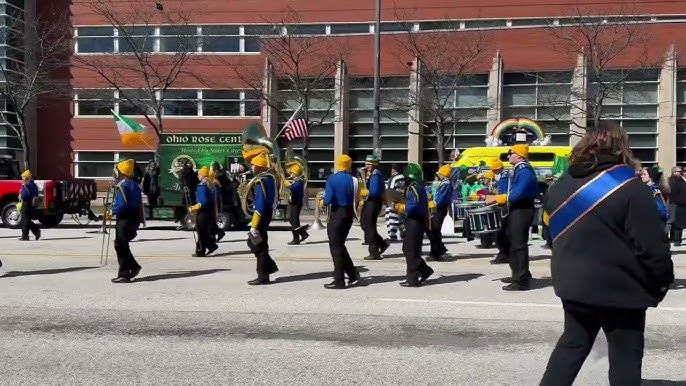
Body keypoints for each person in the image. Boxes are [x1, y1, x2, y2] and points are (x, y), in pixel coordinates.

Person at [540, 121, 674, 386]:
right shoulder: (630, 187)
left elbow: (549, 234)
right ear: (621, 148)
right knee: (625, 356)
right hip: (621, 288)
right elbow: (652, 246)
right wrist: (661, 283)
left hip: (573, 285)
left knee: (572, 346)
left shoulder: (560, 185)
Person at [485, 144, 538, 291]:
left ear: (520, 155)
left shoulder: (525, 170)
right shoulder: (519, 169)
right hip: (517, 208)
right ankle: (519, 274)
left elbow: (518, 193)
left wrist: (498, 198)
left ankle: (521, 280)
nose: (508, 156)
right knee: (511, 240)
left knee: (518, 244)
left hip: (522, 208)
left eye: (511, 153)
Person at [321, 154, 361, 289]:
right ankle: (352, 273)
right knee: (340, 245)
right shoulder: (354, 180)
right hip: (348, 214)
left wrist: (322, 200)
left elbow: (327, 200)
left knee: (336, 248)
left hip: (337, 214)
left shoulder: (332, 179)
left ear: (338, 164)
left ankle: (339, 279)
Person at [393, 163, 434, 287]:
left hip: (415, 221)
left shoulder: (413, 187)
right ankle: (424, 270)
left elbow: (413, 205)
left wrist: (401, 207)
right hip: (416, 221)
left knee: (411, 250)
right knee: (409, 248)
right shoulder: (418, 186)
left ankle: (413, 279)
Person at [108, 159, 144, 283]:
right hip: (134, 218)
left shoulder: (122, 186)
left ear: (121, 172)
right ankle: (133, 267)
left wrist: (111, 211)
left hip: (124, 218)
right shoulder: (134, 185)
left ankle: (124, 273)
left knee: (120, 245)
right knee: (121, 244)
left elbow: (121, 204)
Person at [246, 153, 279, 285]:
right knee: (260, 243)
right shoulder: (270, 179)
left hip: (262, 214)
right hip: (267, 213)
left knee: (257, 245)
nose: (252, 167)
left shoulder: (261, 181)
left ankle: (263, 275)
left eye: (254, 165)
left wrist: (254, 225)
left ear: (259, 167)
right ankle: (269, 267)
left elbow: (259, 205)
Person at [359, 155, 390, 260]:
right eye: (366, 163)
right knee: (364, 224)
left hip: (373, 202)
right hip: (369, 202)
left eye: (369, 164)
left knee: (369, 225)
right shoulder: (370, 174)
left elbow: (375, 191)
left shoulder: (376, 175)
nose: (366, 166)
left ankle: (374, 251)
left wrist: (365, 192)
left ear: (374, 165)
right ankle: (381, 243)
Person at [426, 164, 453, 261]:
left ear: (443, 174)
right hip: (438, 209)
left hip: (439, 209)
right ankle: (440, 249)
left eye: (440, 174)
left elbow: (440, 200)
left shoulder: (446, 184)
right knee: (433, 231)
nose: (438, 176)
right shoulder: (443, 183)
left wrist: (431, 203)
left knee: (434, 231)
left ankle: (435, 253)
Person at [190, 167, 218, 257]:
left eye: (199, 174)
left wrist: (194, 208)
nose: (198, 176)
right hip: (210, 211)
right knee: (204, 232)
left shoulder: (202, 185)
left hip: (203, 212)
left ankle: (201, 251)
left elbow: (203, 201)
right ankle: (210, 246)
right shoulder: (211, 184)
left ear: (202, 175)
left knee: (201, 232)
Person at [489, 159, 510, 263]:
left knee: (501, 232)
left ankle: (504, 254)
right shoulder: (503, 176)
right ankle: (504, 253)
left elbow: (504, 192)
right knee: (502, 232)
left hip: (504, 206)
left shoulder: (505, 176)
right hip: (503, 205)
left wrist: (495, 199)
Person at [286, 164, 309, 245]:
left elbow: (293, 188)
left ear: (296, 173)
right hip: (293, 202)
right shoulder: (295, 181)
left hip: (297, 202)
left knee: (294, 220)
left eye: (292, 173)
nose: (290, 174)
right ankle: (303, 233)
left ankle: (296, 239)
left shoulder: (299, 182)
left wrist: (287, 184)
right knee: (290, 218)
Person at [18, 170, 41, 241]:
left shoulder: (26, 185)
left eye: (23, 177)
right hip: (32, 204)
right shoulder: (33, 185)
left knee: (25, 220)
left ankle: (25, 236)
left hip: (26, 204)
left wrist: (20, 196)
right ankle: (36, 231)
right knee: (27, 220)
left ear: (27, 178)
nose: (22, 179)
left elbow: (24, 196)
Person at [385, 164, 405, 242]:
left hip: (393, 201)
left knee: (392, 218)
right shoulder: (404, 178)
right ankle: (403, 233)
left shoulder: (393, 179)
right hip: (402, 201)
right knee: (400, 219)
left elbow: (390, 190)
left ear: (394, 170)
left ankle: (392, 235)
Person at [668, 166, 686, 246]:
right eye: (679, 171)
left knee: (676, 221)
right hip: (676, 203)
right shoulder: (674, 181)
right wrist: (677, 201)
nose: (681, 173)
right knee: (674, 221)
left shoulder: (681, 180)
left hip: (679, 203)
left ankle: (674, 238)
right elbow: (673, 193)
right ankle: (675, 240)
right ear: (674, 172)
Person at [209, 169, 226, 243]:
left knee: (212, 221)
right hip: (214, 203)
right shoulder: (213, 183)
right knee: (212, 221)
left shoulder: (214, 183)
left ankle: (216, 235)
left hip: (214, 204)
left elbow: (215, 197)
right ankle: (218, 233)